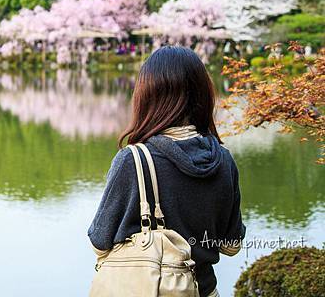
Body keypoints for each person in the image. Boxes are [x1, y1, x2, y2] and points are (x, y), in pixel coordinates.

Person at [88, 46, 245, 297]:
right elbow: (231, 246)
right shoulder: (224, 160)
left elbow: (99, 243)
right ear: (203, 95)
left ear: (146, 96)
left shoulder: (134, 160)